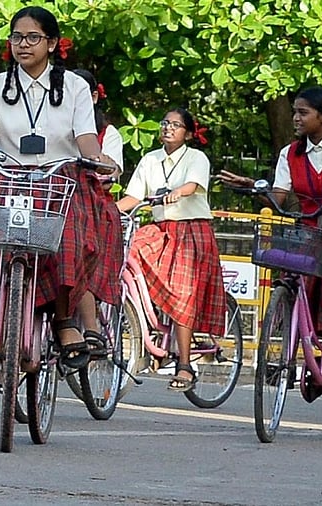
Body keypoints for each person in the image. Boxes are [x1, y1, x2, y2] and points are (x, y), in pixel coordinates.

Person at [0, 6, 118, 398]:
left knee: (70, 239)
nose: (23, 44)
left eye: (32, 37)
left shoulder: (74, 87)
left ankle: (64, 322)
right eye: (16, 37)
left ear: (52, 43)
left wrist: (99, 159)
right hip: (9, 178)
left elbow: (85, 137)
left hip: (58, 179)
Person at [218, 87, 322, 401]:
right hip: (314, 233)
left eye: (303, 112)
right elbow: (279, 197)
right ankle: (307, 356)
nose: (295, 118)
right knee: (300, 288)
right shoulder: (290, 153)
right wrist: (255, 188)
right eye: (294, 111)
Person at [115, 108, 226, 392]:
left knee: (182, 292)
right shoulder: (150, 159)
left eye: (176, 125)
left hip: (191, 231)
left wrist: (178, 192)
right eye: (165, 123)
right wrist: (108, 211)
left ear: (187, 134)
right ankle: (147, 321)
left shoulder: (196, 157)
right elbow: (133, 197)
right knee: (129, 252)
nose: (168, 128)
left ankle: (185, 365)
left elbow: (192, 185)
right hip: (161, 229)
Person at [71, 68, 124, 354]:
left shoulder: (108, 134)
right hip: (58, 199)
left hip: (93, 205)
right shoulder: (52, 122)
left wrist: (101, 163)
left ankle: (91, 329)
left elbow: (112, 170)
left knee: (81, 254)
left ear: (93, 97)